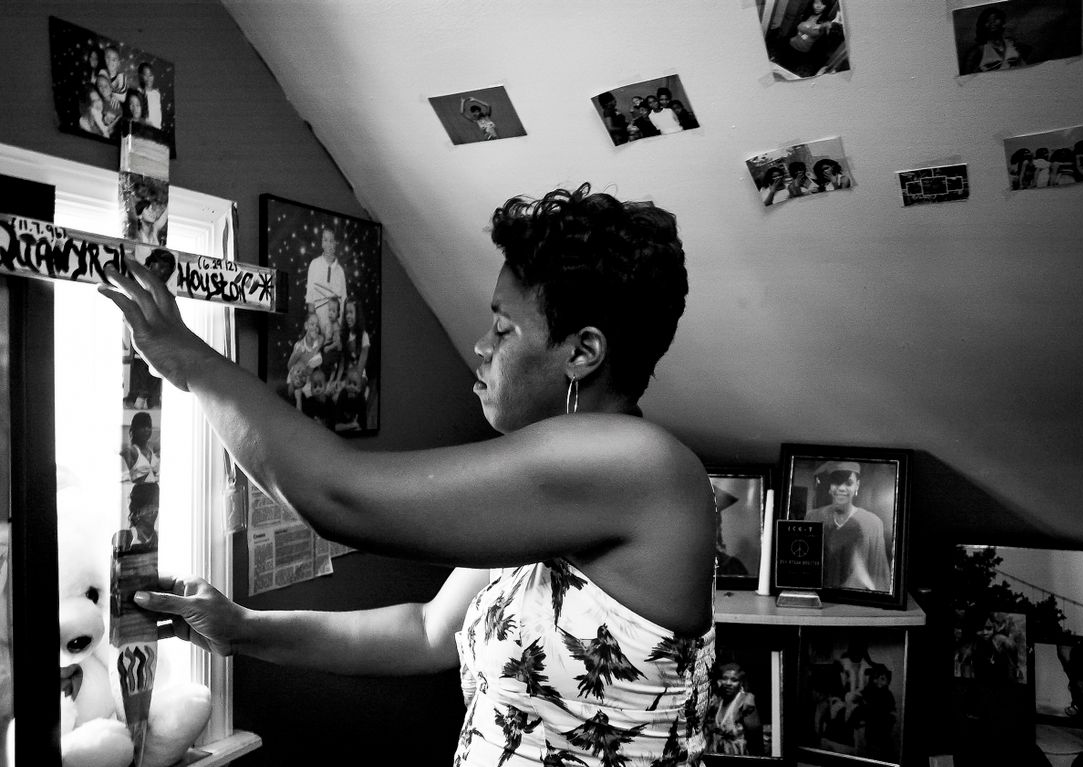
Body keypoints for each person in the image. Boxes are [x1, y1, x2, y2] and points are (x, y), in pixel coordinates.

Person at [100, 183, 716, 766]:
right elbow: (427, 631)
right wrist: (241, 630)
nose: (481, 344)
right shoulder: (554, 489)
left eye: (503, 328)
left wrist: (190, 361)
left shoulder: (638, 465)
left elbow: (337, 495)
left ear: (582, 352)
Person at [804, 462, 890, 591]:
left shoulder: (872, 523)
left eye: (848, 483)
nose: (842, 488)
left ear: (857, 485)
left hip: (857, 598)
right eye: (837, 483)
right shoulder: (814, 517)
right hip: (819, 594)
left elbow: (878, 572)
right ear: (830, 486)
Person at [705, 662, 763, 755]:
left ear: (741, 682)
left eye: (734, 680)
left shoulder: (745, 703)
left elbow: (756, 740)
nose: (728, 683)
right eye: (725, 678)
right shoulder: (718, 702)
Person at [304, 226, 348, 341]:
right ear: (322, 243)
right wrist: (313, 329)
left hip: (334, 330)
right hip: (317, 328)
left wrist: (338, 330)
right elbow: (310, 301)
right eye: (325, 240)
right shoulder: (314, 265)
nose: (328, 244)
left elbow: (343, 303)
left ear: (335, 244)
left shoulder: (340, 271)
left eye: (331, 241)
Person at [964, 7, 1025, 73]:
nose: (992, 23)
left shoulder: (1013, 45)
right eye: (987, 21)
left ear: (1003, 23)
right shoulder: (977, 52)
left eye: (995, 19)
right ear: (982, 26)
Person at [971, 613, 1020, 683]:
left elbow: (1012, 674)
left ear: (994, 628)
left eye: (988, 628)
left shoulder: (1005, 644)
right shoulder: (974, 647)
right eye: (980, 628)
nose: (985, 632)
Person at [114, 482, 160, 553]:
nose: (155, 511)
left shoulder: (160, 539)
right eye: (149, 506)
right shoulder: (123, 538)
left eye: (156, 506)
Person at [121, 411, 160, 484]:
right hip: (139, 492)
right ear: (135, 429)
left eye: (149, 426)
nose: (146, 429)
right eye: (142, 426)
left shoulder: (150, 452)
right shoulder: (130, 451)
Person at [138, 62, 163, 130]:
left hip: (157, 131)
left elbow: (158, 115)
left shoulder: (157, 94)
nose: (148, 78)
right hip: (144, 131)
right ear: (140, 76)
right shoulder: (138, 92)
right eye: (145, 75)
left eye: (151, 75)